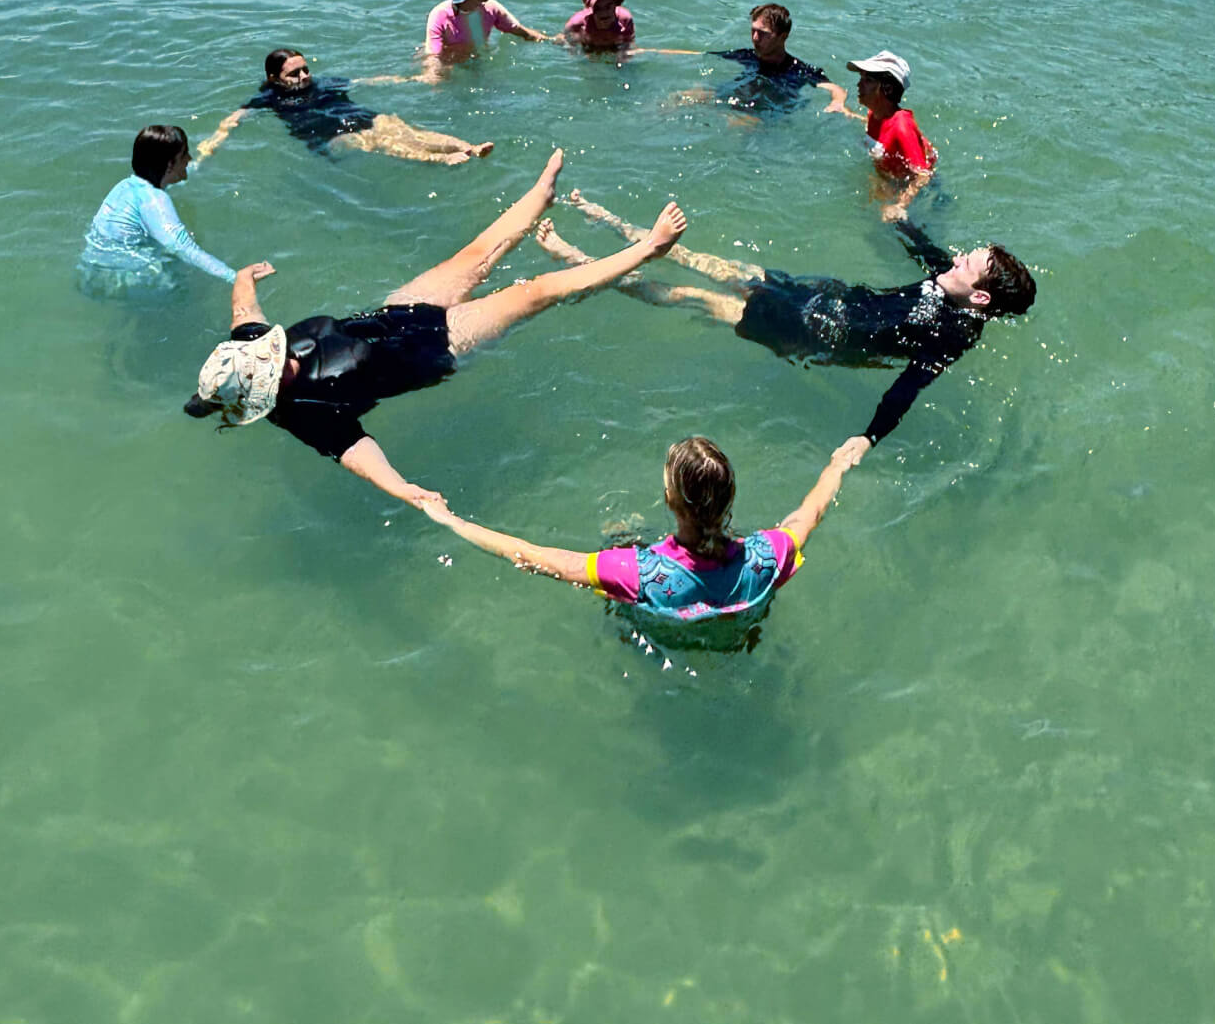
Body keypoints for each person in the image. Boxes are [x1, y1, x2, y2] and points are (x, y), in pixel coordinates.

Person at [184, 151, 689, 507]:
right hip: (437, 347)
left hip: (397, 312)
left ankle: (541, 195)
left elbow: (243, 311)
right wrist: (402, 488)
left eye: (273, 356)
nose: (283, 361)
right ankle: (646, 249)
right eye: (276, 374)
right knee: (534, 290)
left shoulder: (248, 346)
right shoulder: (305, 414)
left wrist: (244, 276)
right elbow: (356, 454)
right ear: (267, 393)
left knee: (476, 256)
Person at [534, 193, 1036, 464]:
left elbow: (909, 386)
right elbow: (928, 254)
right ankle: (611, 224)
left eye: (972, 261)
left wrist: (869, 438)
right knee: (707, 263)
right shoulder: (953, 280)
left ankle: (578, 262)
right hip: (822, 293)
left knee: (690, 296)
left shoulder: (954, 332)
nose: (961, 256)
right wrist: (899, 222)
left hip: (810, 334)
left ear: (981, 297)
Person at [421, 435, 859, 640]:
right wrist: (838, 464)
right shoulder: (770, 553)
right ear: (730, 500)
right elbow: (811, 511)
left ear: (670, 500)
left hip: (659, 623)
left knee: (617, 551)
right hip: (741, 633)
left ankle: (624, 534)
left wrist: (453, 523)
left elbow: (535, 556)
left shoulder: (632, 570)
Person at [196, 49, 493, 164]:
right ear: (274, 78)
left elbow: (365, 81)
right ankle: (444, 160)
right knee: (378, 142)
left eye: (306, 69)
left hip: (358, 116)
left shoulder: (323, 83)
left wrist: (409, 79)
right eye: (294, 73)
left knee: (398, 127)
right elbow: (235, 118)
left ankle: (468, 146)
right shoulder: (269, 98)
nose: (304, 76)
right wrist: (212, 143)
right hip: (329, 136)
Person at [80, 125, 243, 294]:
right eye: (184, 155)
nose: (189, 158)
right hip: (125, 279)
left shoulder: (128, 186)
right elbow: (183, 247)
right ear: (170, 164)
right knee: (192, 288)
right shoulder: (155, 200)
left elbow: (187, 171)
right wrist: (235, 277)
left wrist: (212, 146)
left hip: (94, 274)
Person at [671, 3, 850, 116]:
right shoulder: (748, 56)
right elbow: (698, 54)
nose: (755, 38)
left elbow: (835, 88)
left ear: (783, 36)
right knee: (679, 98)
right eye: (753, 31)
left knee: (736, 124)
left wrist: (837, 102)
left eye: (763, 34)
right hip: (734, 96)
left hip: (764, 112)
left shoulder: (797, 69)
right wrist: (648, 51)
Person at [832, 50, 938, 221]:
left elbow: (923, 175)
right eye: (861, 78)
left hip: (910, 189)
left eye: (867, 80)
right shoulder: (875, 114)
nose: (859, 85)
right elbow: (877, 130)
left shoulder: (903, 125)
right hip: (889, 179)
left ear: (887, 88)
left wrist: (900, 205)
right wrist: (846, 112)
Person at [422, 0, 552, 76]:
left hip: (476, 59)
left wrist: (551, 40)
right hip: (448, 64)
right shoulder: (439, 15)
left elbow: (519, 30)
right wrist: (436, 76)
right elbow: (433, 57)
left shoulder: (491, 8)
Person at [562, 0, 636, 55]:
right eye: (597, 8)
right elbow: (567, 41)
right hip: (589, 47)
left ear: (615, 4)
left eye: (608, 6)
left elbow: (628, 42)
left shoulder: (625, 20)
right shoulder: (576, 23)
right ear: (590, 9)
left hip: (614, 46)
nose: (604, 13)